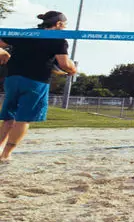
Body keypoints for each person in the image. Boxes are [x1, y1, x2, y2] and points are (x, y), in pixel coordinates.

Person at [0, 11, 77, 163]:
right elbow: (64, 64)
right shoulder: (58, 39)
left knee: (9, 117)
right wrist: (73, 70)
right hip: (36, 81)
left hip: (12, 79)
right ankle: (6, 154)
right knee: (24, 119)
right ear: (59, 24)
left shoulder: (25, 33)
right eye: (65, 25)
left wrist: (3, 52)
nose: (65, 27)